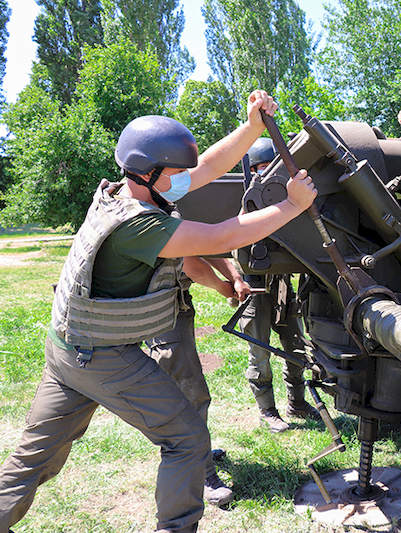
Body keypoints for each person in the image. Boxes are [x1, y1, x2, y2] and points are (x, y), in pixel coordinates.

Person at [0, 90, 317, 533]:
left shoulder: (122, 192)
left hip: (66, 352)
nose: (187, 176)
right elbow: (220, 236)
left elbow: (205, 166)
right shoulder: (141, 224)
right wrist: (291, 205)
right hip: (102, 358)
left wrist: (250, 128)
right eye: (176, 171)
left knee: (34, 458)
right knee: (187, 440)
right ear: (148, 173)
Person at [145, 254, 249, 508]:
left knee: (190, 392)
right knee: (189, 395)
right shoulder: (166, 214)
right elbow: (191, 262)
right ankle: (202, 472)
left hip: (174, 304)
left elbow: (208, 246)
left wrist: (235, 277)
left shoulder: (186, 214)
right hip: (156, 309)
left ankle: (197, 452)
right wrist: (223, 286)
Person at [238, 137, 319, 433]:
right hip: (255, 288)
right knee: (259, 352)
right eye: (260, 169)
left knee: (295, 346)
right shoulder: (245, 200)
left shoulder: (288, 200)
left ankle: (296, 403)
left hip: (283, 284)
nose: (267, 176)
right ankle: (267, 411)